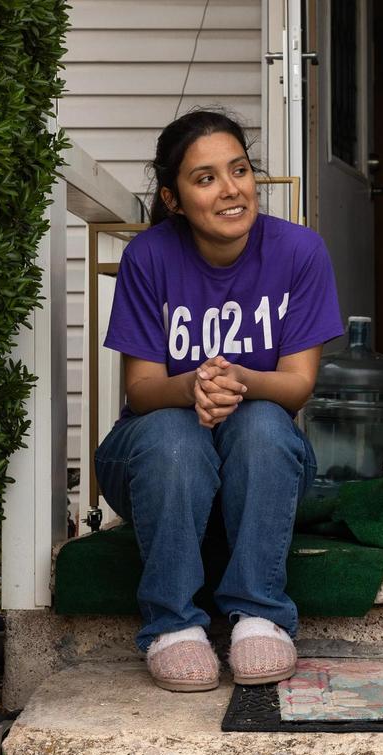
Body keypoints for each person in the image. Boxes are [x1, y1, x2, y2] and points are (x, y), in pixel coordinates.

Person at [94, 110, 343, 692]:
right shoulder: (149, 257)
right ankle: (172, 625)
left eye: (239, 170)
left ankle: (260, 614)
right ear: (173, 198)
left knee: (262, 422)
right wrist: (192, 388)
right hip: (153, 463)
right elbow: (142, 389)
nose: (231, 189)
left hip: (257, 462)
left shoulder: (299, 252)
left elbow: (297, 383)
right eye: (205, 178)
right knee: (174, 432)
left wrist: (234, 378)